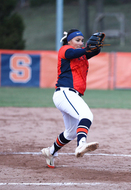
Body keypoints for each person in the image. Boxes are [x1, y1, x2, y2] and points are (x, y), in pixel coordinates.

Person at [41, 29, 101, 168]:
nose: (81, 43)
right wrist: (87, 48)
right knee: (86, 115)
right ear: (69, 41)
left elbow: (92, 52)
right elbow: (73, 53)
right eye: (77, 40)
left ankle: (50, 152)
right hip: (65, 93)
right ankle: (81, 145)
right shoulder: (65, 49)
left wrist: (95, 48)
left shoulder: (83, 55)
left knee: (71, 132)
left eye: (82, 40)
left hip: (70, 95)